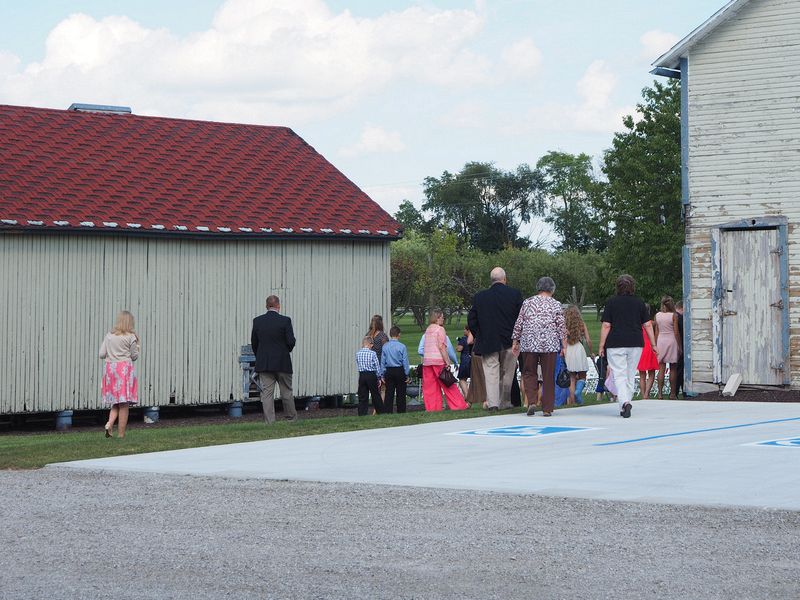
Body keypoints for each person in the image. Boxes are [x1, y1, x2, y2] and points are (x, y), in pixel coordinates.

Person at [598, 275, 658, 419]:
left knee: (619, 374)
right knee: (630, 374)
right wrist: (653, 344)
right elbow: (648, 324)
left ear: (617, 287)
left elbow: (606, 325)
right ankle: (625, 405)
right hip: (635, 343)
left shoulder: (611, 303)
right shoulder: (639, 303)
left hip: (615, 343)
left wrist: (601, 345)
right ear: (632, 287)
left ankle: (624, 402)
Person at [467, 267, 523, 410]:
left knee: (491, 372)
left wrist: (479, 334)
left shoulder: (480, 297)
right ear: (504, 279)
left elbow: (472, 319)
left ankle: (493, 404)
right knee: (507, 373)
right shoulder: (514, 294)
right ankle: (504, 401)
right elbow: (521, 318)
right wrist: (518, 337)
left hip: (488, 340)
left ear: (491, 280)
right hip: (510, 340)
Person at [512, 277, 567, 417]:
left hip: (529, 343)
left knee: (529, 372)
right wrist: (564, 346)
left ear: (538, 288)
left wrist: (515, 341)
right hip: (549, 345)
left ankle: (531, 401)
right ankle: (547, 408)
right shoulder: (556, 304)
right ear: (552, 289)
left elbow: (519, 322)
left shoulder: (528, 302)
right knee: (548, 376)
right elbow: (561, 326)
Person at [251, 294, 298, 424]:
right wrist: (285, 350)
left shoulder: (257, 321)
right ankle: (291, 419)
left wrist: (260, 356)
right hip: (282, 362)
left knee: (266, 394)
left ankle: (270, 421)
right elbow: (290, 341)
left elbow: (254, 343)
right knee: (286, 392)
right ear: (278, 306)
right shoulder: (285, 321)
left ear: (266, 306)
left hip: (265, 363)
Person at [99, 310, 140, 438]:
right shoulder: (131, 337)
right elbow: (134, 357)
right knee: (124, 404)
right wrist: (138, 346)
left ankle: (109, 424)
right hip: (124, 370)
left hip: (110, 370)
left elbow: (101, 354)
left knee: (116, 402)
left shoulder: (109, 336)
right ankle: (121, 434)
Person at [422, 310, 470, 412]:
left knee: (430, 387)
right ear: (438, 318)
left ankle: (432, 408)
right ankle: (459, 405)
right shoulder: (440, 329)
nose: (443, 319)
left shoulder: (428, 329)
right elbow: (442, 347)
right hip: (438, 361)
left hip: (427, 361)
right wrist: (448, 362)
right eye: (442, 317)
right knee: (448, 384)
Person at [564, 305, 594, 405]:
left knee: (571, 378)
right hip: (579, 349)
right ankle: (578, 392)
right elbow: (588, 340)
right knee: (582, 376)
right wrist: (591, 352)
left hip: (569, 349)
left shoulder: (564, 325)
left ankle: (572, 402)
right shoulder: (581, 324)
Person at [654, 296, 682, 399]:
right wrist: (679, 346)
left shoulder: (657, 315)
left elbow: (656, 332)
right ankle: (672, 393)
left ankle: (660, 394)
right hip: (671, 341)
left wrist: (655, 345)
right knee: (673, 368)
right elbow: (676, 332)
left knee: (661, 368)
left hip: (661, 341)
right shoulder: (674, 315)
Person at [381, 326, 409, 413]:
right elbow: (405, 361)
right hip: (399, 370)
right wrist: (407, 374)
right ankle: (401, 411)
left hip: (389, 370)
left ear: (390, 334)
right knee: (401, 393)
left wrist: (382, 374)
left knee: (389, 392)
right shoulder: (402, 346)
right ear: (399, 334)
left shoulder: (385, 346)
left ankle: (388, 411)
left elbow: (382, 361)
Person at [356, 336, 384, 416]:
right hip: (371, 374)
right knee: (375, 394)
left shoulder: (358, 353)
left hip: (362, 375)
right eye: (372, 344)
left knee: (363, 396)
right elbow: (377, 366)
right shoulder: (373, 353)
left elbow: (358, 364)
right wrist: (379, 377)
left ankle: (362, 413)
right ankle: (380, 411)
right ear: (370, 344)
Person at [637, 304, 658, 399]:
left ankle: (643, 395)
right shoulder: (652, 323)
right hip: (649, 346)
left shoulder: (636, 323)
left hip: (640, 348)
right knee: (651, 373)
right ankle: (646, 394)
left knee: (642, 374)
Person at [455, 327, 474, 399]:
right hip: (473, 360)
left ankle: (467, 395)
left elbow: (459, 348)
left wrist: (457, 346)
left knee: (462, 379)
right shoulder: (474, 339)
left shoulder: (463, 339)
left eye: (464, 329)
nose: (463, 331)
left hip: (465, 361)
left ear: (468, 330)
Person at [675, 301, 685, 398]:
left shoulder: (671, 316)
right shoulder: (679, 318)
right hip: (679, 344)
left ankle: (675, 391)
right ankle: (677, 390)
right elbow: (680, 332)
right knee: (679, 369)